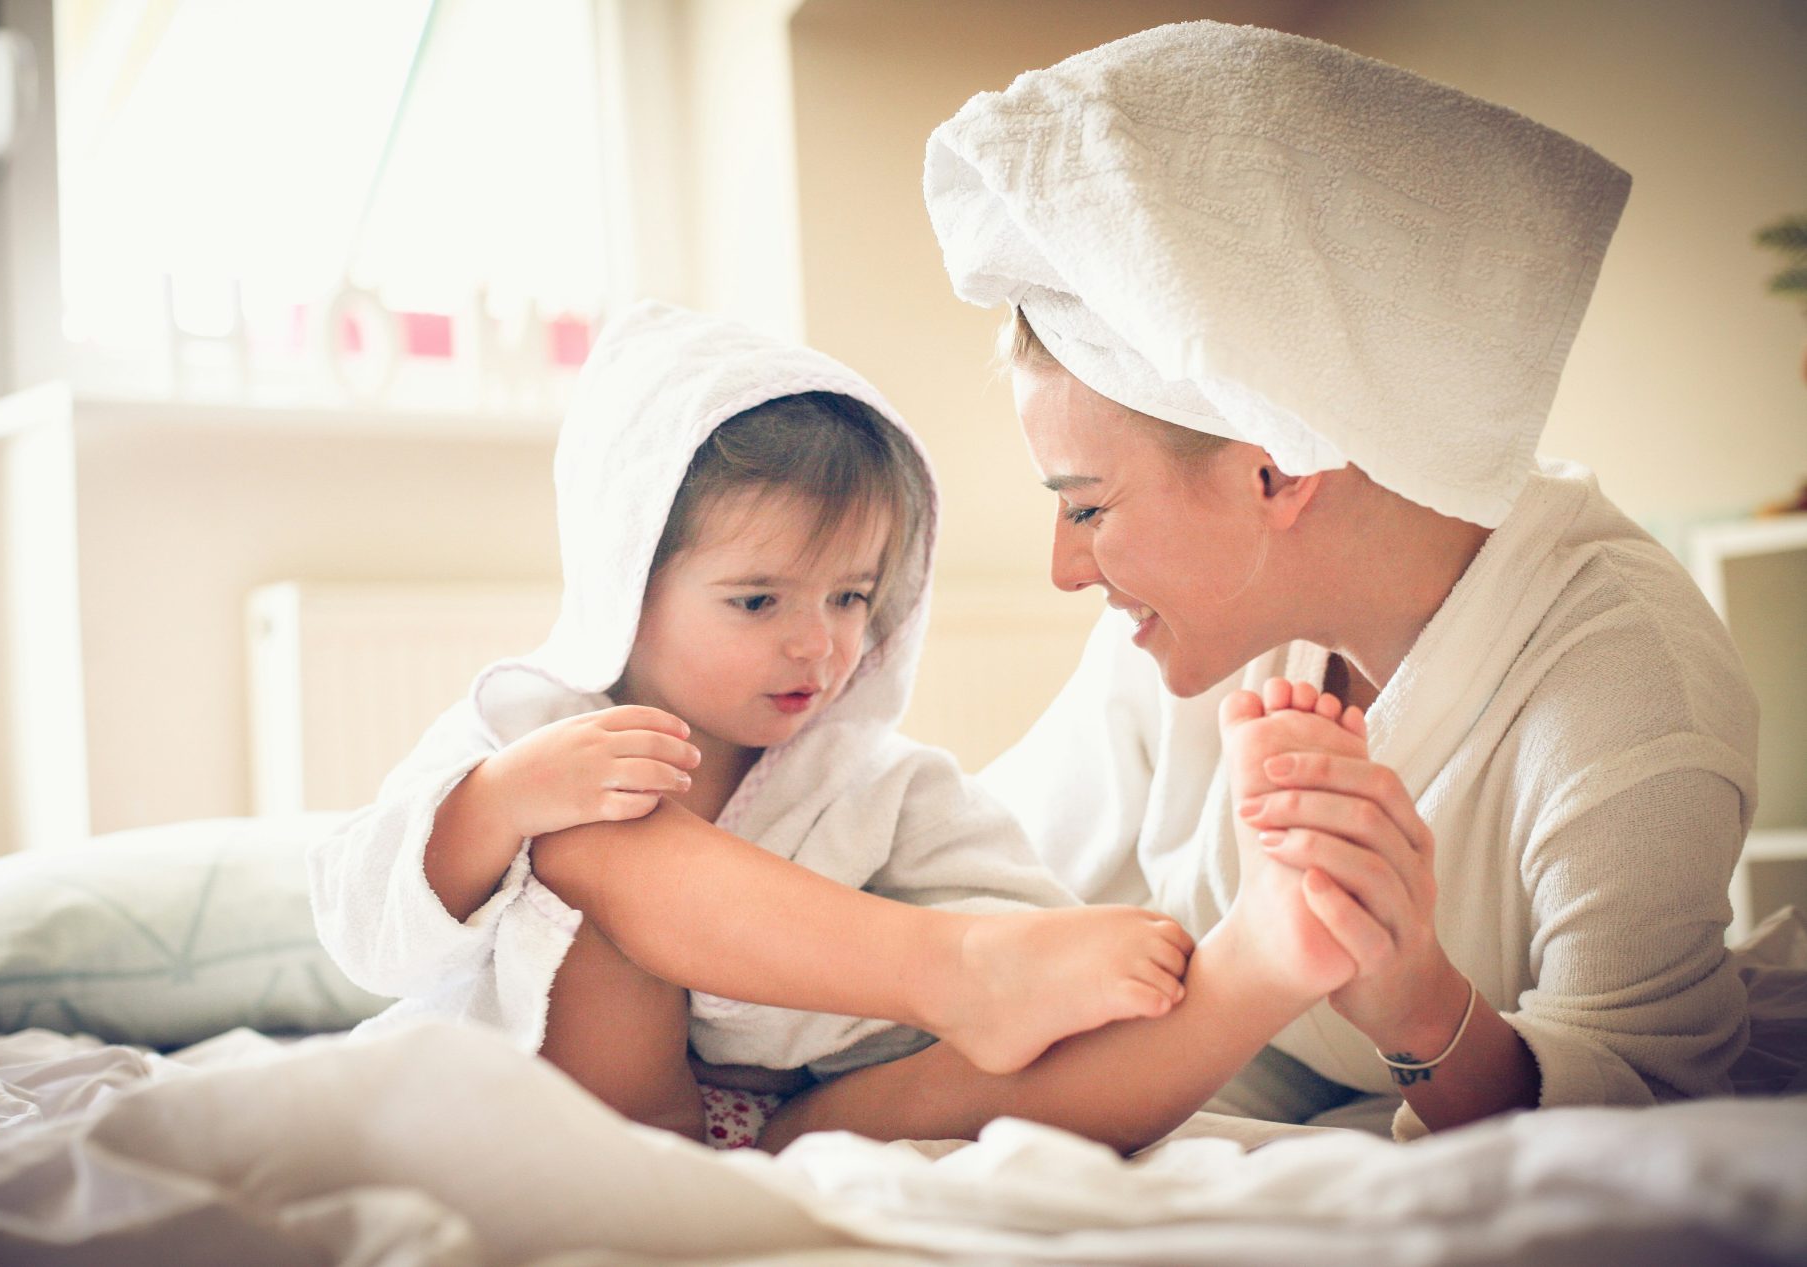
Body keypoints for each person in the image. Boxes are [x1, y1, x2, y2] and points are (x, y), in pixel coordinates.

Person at [807, 18, 1750, 1142]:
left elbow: (1655, 1139)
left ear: (1282, 467)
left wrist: (1417, 1001)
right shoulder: (1189, 636)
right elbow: (959, 873)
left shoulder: (1627, 695)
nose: (1065, 567)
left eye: (1089, 507)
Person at [308, 301, 1199, 1144]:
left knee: (1022, 1063)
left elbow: (1027, 935)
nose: (818, 643)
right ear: (628, 582)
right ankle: (933, 977)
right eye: (758, 599)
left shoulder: (877, 783)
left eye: (852, 596)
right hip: (564, 1119)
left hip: (783, 1130)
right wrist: (498, 803)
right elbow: (360, 920)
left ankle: (1223, 976)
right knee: (583, 835)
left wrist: (983, 974)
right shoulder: (528, 732)